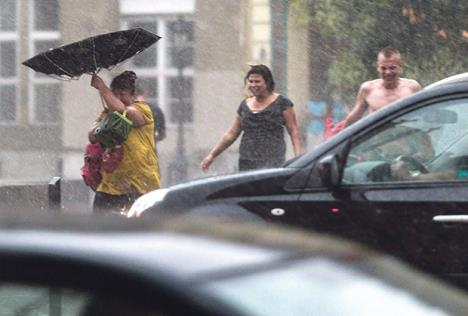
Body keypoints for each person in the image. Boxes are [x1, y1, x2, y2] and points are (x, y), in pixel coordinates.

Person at [200, 64, 302, 172]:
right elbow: (232, 134)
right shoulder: (244, 105)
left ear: (267, 82)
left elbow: (293, 131)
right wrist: (211, 156)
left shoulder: (282, 103)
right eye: (251, 81)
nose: (254, 85)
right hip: (247, 161)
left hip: (272, 161)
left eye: (257, 81)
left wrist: (299, 160)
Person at [88, 71, 161, 214]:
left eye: (123, 94)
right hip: (112, 184)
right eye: (115, 94)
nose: (119, 98)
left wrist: (103, 88)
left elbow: (125, 112)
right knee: (98, 228)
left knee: (140, 230)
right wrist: (103, 123)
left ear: (132, 96)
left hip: (141, 184)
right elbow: (92, 136)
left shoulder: (142, 109)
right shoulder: (107, 113)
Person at [342, 46, 422, 128]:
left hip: (407, 137)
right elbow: (352, 119)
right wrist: (341, 138)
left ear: (400, 67)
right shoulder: (368, 89)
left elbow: (426, 114)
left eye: (392, 68)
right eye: (383, 68)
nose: (388, 72)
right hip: (380, 139)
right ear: (377, 67)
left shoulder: (412, 88)